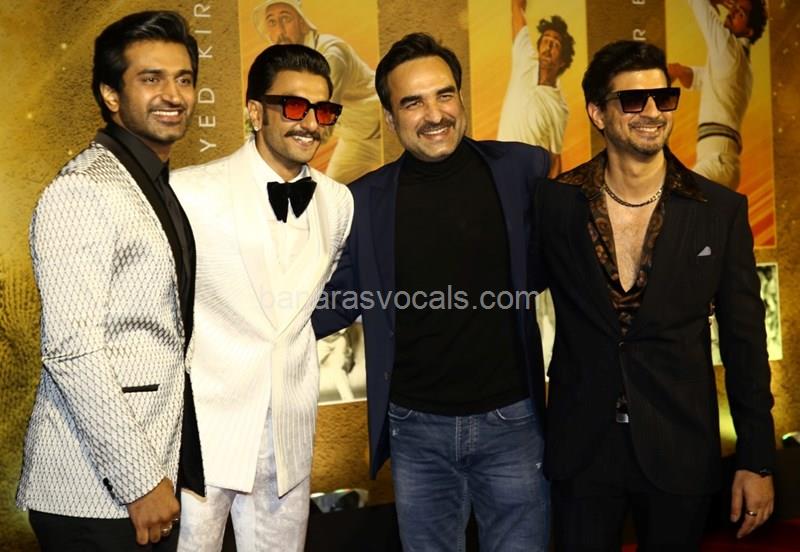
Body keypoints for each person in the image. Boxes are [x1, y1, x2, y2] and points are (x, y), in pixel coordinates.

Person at [532, 40, 775, 550]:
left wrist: (756, 459)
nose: (652, 112)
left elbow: (745, 344)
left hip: (680, 445)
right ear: (598, 113)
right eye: (632, 100)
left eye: (663, 98)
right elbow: (513, 303)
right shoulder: (555, 204)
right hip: (582, 448)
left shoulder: (719, 211)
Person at [313, 33, 551, 551]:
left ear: (461, 98)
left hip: (512, 422)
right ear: (389, 116)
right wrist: (251, 329)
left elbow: (574, 260)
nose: (434, 114)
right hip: (416, 430)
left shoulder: (524, 170)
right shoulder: (364, 200)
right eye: (413, 102)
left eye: (444, 95)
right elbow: (339, 298)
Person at [16, 11, 204, 551]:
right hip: (95, 491)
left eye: (184, 78)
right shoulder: (83, 190)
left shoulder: (151, 183)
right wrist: (139, 479)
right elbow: (71, 349)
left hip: (147, 474)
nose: (173, 95)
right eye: (151, 78)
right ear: (111, 94)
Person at [170, 44, 353, 552]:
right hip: (203, 434)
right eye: (293, 106)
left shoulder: (339, 202)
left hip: (288, 434)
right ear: (255, 111)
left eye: (322, 111)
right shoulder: (189, 192)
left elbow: (308, 303)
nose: (310, 123)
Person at [253, 0, 381, 184]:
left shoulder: (332, 53)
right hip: (356, 138)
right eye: (272, 22)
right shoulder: (285, 70)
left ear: (302, 23)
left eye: (286, 19)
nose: (279, 31)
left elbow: (322, 122)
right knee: (333, 192)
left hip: (384, 126)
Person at [668, 0, 768, 190]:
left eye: (740, 13)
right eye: (735, 6)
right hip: (721, 164)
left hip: (717, 162)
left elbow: (698, 4)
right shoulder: (740, 65)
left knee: (673, 201)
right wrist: (680, 71)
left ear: (749, 31)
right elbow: (701, 80)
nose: (732, 12)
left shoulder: (729, 49)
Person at [498, 0, 575, 178]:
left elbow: (555, 160)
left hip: (528, 179)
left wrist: (551, 192)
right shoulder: (524, 59)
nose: (548, 46)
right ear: (539, 47)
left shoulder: (559, 107)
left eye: (555, 44)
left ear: (562, 61)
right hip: (499, 171)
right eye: (546, 40)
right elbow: (517, 8)